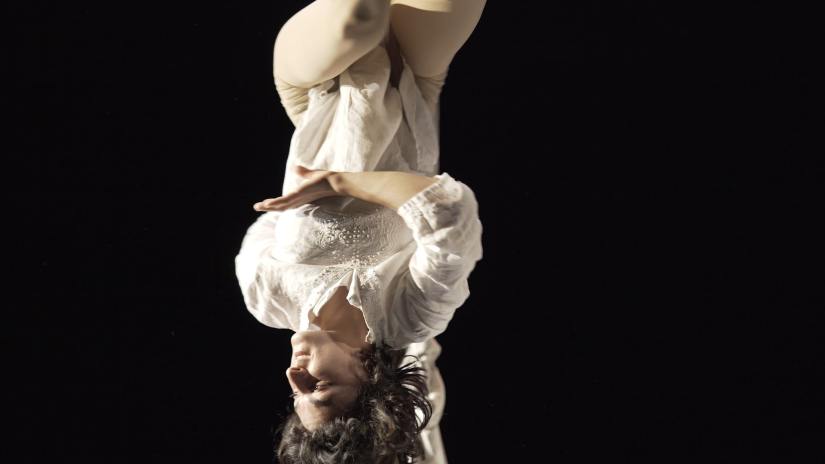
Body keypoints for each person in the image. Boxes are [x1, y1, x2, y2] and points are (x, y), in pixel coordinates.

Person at [234, 1, 486, 462]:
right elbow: (453, 212)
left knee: (361, 17)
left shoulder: (266, 297)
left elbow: (270, 219)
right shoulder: (411, 314)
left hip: (318, 90)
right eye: (318, 388)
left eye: (295, 394)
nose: (294, 375)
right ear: (369, 379)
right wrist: (340, 183)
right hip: (414, 80)